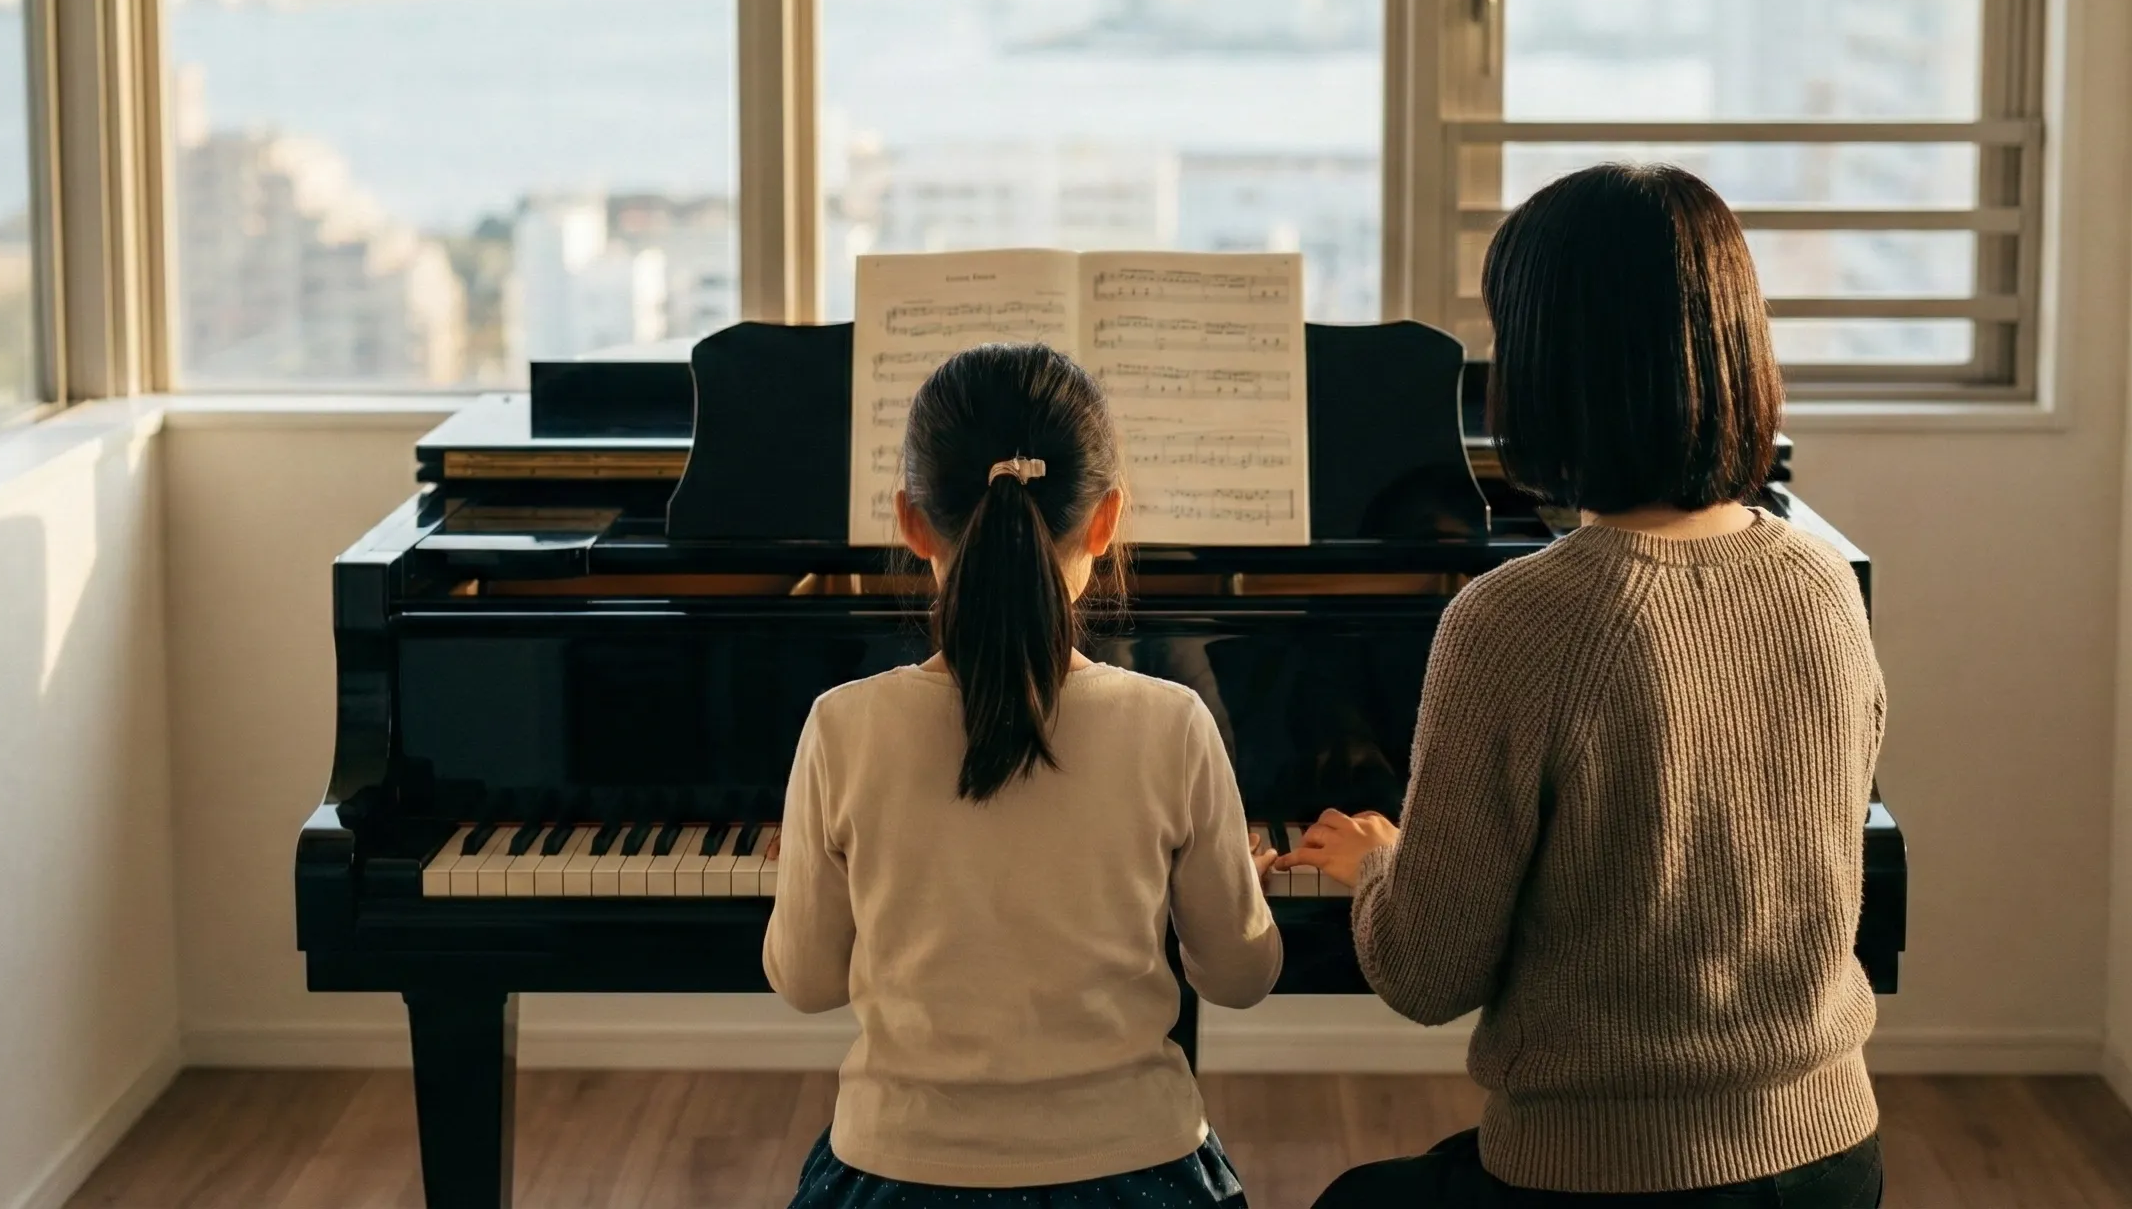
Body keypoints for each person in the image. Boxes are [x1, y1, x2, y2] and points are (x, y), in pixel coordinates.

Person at [1287, 163, 1889, 1208]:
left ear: (1545, 370)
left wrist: (1380, 866)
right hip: (1832, 1153)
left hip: (1615, 1178)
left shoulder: (1518, 619)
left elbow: (1426, 977)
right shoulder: (1818, 579)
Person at [765, 341, 1282, 1208]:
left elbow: (808, 984)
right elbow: (1240, 979)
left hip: (898, 1176)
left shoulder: (841, 726)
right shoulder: (1173, 725)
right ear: (1108, 519)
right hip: (1137, 1175)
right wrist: (1237, 895)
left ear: (912, 520)